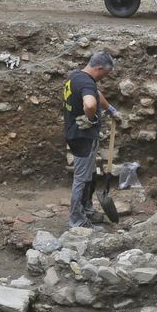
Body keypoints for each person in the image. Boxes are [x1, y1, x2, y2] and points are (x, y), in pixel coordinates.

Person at [61, 51, 116, 228]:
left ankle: (86, 209)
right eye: (105, 74)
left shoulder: (77, 76)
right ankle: (77, 220)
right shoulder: (87, 83)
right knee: (82, 179)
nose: (104, 77)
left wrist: (110, 109)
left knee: (89, 175)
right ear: (99, 69)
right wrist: (90, 118)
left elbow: (95, 94)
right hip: (83, 137)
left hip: (74, 133)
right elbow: (90, 103)